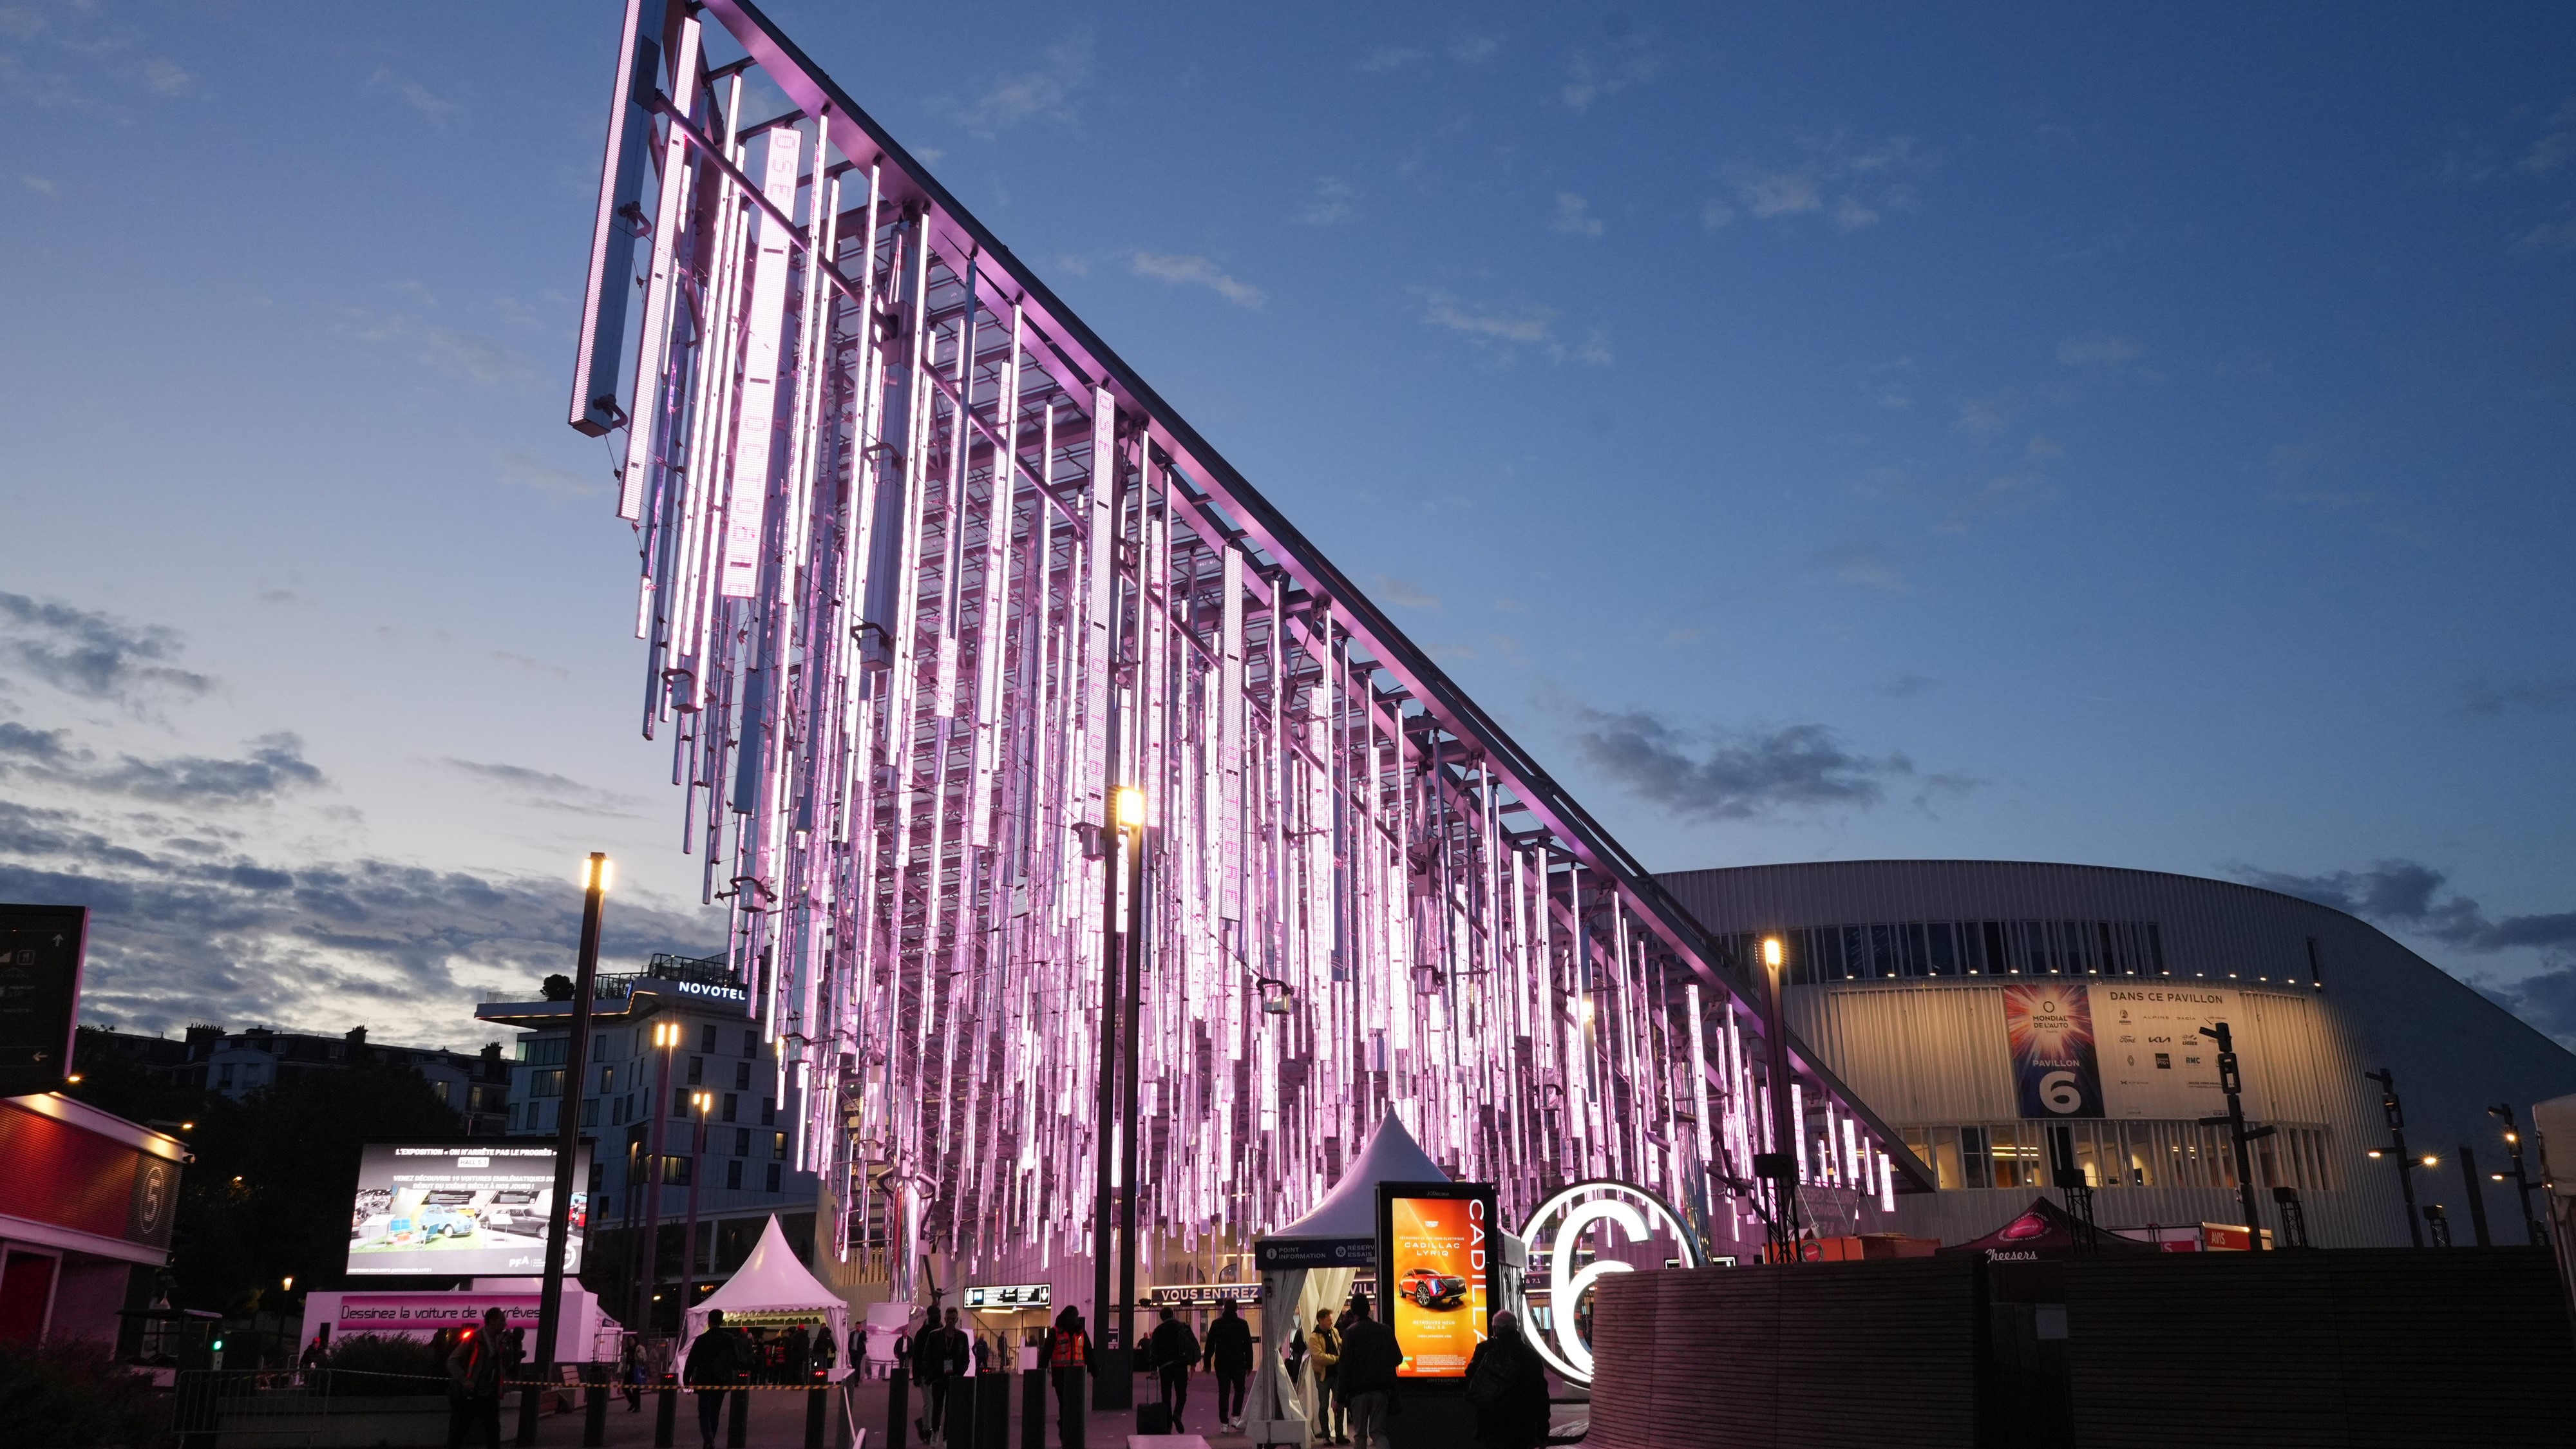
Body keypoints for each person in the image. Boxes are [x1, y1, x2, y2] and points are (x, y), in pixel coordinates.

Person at [1463, 1310, 1551, 1449]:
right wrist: (1542, 1432)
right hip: (1522, 1429)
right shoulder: (1530, 1356)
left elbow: (1471, 1381)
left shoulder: (1484, 1351)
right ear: (1515, 1327)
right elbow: (1540, 1396)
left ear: (1495, 1329)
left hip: (1492, 1427)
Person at [1335, 1294, 1404, 1449]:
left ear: (1353, 1312)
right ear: (1368, 1309)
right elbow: (1398, 1358)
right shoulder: (1384, 1330)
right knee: (1378, 1433)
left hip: (1358, 1393)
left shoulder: (1350, 1333)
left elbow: (1345, 1368)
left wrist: (1339, 1399)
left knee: (1360, 1436)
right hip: (1381, 1391)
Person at [684, 1309, 751, 1449]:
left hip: (704, 1380)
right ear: (722, 1321)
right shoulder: (728, 1338)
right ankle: (710, 1439)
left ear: (709, 1321)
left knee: (703, 1412)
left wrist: (686, 1379)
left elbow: (692, 1360)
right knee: (715, 1412)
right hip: (720, 1380)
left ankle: (708, 1440)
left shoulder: (701, 1340)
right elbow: (735, 1359)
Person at [444, 1307, 507, 1449]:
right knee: (461, 1430)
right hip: (470, 1394)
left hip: (489, 1394)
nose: (506, 1324)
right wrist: (464, 1381)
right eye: (502, 1320)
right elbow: (452, 1361)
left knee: (493, 1430)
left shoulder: (499, 1341)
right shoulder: (474, 1339)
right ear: (492, 1321)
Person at [914, 1307, 968, 1443]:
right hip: (937, 1377)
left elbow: (965, 1359)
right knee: (935, 1406)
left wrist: (959, 1374)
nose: (950, 1322)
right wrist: (929, 1375)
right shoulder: (933, 1335)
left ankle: (946, 1437)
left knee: (950, 1408)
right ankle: (934, 1432)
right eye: (948, 1319)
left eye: (953, 1319)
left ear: (956, 1320)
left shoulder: (962, 1337)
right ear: (945, 1319)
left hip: (954, 1378)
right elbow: (923, 1356)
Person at [1043, 1307, 1092, 1449]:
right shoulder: (1055, 1332)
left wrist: (1095, 1369)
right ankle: (1066, 1433)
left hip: (1078, 1377)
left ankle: (1071, 1435)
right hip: (1061, 1377)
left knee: (1076, 1406)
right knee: (1065, 1405)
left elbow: (1088, 1350)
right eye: (1075, 1315)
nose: (1077, 1318)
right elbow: (1046, 1352)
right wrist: (1039, 1372)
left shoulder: (1080, 1332)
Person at [1202, 1299, 1254, 1431]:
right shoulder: (1242, 1324)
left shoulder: (1216, 1324)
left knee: (1224, 1392)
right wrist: (1249, 1364)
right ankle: (1235, 1416)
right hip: (1238, 1363)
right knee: (1240, 1389)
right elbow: (1248, 1345)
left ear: (1224, 1308)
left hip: (1222, 1363)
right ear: (1236, 1309)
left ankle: (1224, 1423)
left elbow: (1210, 1346)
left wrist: (1207, 1363)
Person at [1146, 1306, 1200, 1430]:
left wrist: (1154, 1369)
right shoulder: (1182, 1327)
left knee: (1166, 1396)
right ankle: (1177, 1414)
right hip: (1180, 1365)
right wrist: (1192, 1361)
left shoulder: (1158, 1331)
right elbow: (1191, 1345)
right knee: (1182, 1394)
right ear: (1173, 1314)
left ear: (1162, 1317)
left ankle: (1168, 1425)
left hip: (1165, 1368)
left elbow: (1153, 1351)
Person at [1305, 1307, 1345, 1445]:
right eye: (1328, 1320)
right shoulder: (1314, 1337)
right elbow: (1319, 1357)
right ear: (1321, 1320)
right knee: (1324, 1406)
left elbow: (1340, 1344)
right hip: (1323, 1376)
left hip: (1336, 1374)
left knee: (1339, 1404)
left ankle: (1339, 1435)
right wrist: (1336, 1359)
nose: (1331, 1322)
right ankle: (1326, 1437)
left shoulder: (1334, 1332)